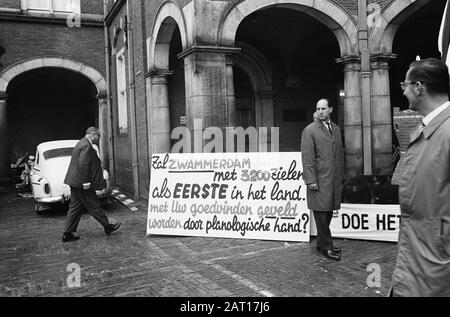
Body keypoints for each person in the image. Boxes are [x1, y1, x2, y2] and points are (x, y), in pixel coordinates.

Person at [389, 58, 450, 296]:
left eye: (404, 85)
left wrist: (441, 244)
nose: (402, 91)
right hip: (415, 261)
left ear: (418, 87)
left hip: (435, 268)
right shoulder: (425, 129)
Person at [301, 98, 344, 261]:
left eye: (323, 109)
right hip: (319, 180)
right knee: (321, 214)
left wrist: (342, 176)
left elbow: (339, 154)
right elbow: (307, 157)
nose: (320, 111)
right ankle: (327, 246)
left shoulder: (336, 129)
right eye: (318, 109)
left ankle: (322, 242)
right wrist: (310, 179)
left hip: (332, 179)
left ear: (330, 109)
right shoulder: (309, 130)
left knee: (328, 211)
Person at [62, 127, 121, 242]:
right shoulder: (87, 146)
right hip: (82, 184)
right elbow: (84, 164)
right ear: (93, 134)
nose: (98, 139)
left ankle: (67, 233)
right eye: (98, 136)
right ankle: (107, 226)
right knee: (94, 205)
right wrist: (86, 182)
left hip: (75, 182)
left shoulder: (81, 143)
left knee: (75, 208)